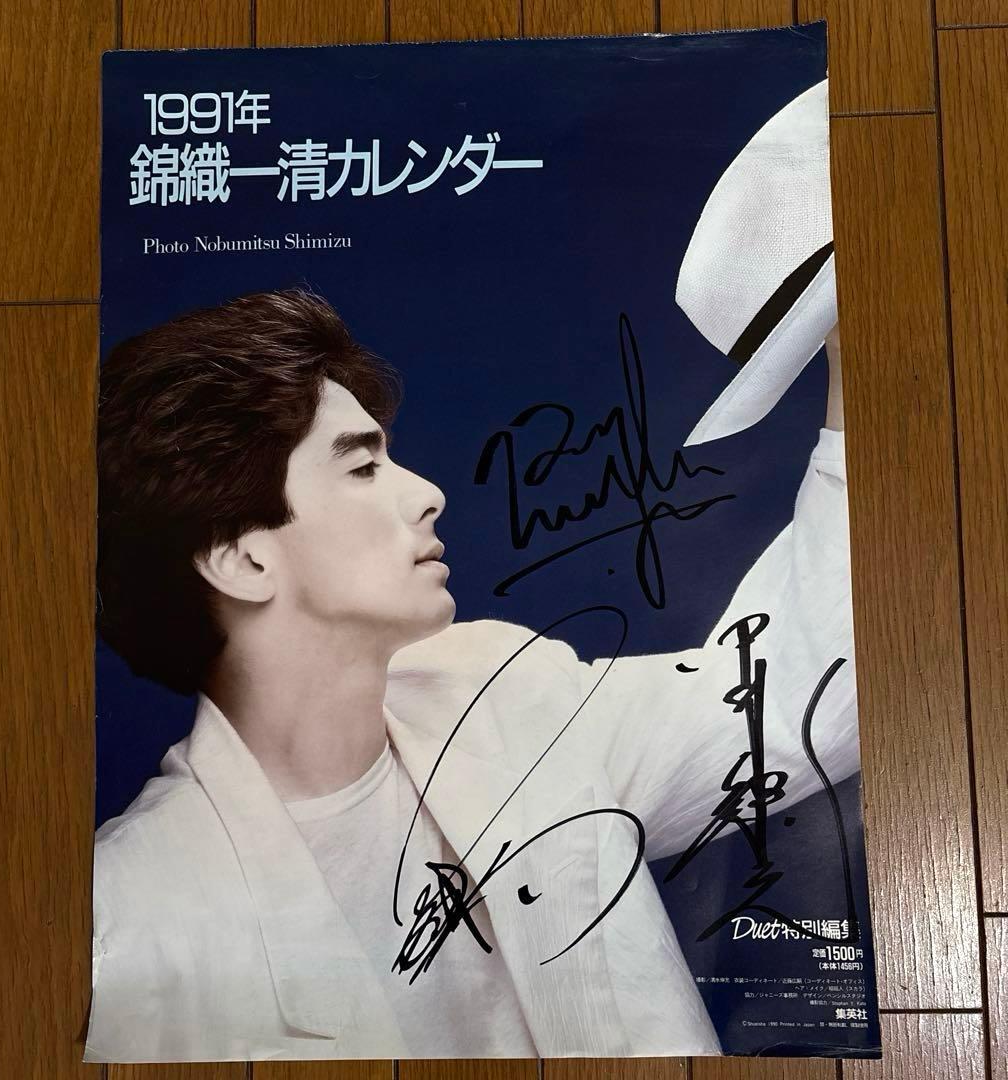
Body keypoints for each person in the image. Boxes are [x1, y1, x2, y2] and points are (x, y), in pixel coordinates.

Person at [85, 286, 854, 1063]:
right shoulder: (128, 916)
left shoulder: (502, 697)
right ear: (244, 561)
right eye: (362, 467)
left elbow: (794, 698)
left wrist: (857, 361)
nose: (427, 494)